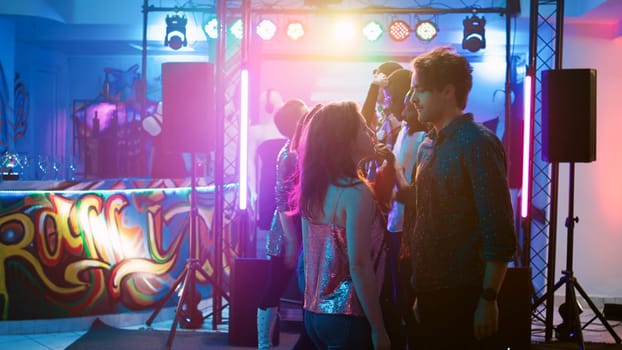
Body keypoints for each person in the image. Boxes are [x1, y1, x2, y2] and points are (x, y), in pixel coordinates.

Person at [392, 47, 516, 350]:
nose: (412, 99)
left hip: (465, 293)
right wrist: (422, 289)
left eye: (419, 89)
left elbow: (497, 226)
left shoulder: (477, 143)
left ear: (447, 91)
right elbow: (428, 219)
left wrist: (489, 298)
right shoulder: (427, 144)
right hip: (430, 291)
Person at [294, 101, 392, 350]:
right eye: (362, 128)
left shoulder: (314, 189)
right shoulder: (356, 193)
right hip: (348, 315)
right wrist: (379, 328)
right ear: (346, 140)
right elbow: (359, 265)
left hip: (314, 315)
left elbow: (308, 259)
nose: (370, 132)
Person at [380, 69, 428, 350]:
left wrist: (394, 170)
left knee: (410, 301)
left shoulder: (425, 138)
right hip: (395, 225)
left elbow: (413, 192)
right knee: (397, 300)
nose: (409, 102)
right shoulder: (403, 132)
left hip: (411, 231)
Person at [257, 99, 309, 350]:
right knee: (274, 287)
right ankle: (264, 344)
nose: (311, 115)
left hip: (303, 229)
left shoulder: (307, 149)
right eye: (305, 114)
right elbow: (282, 201)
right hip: (286, 230)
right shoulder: (289, 153)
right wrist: (292, 240)